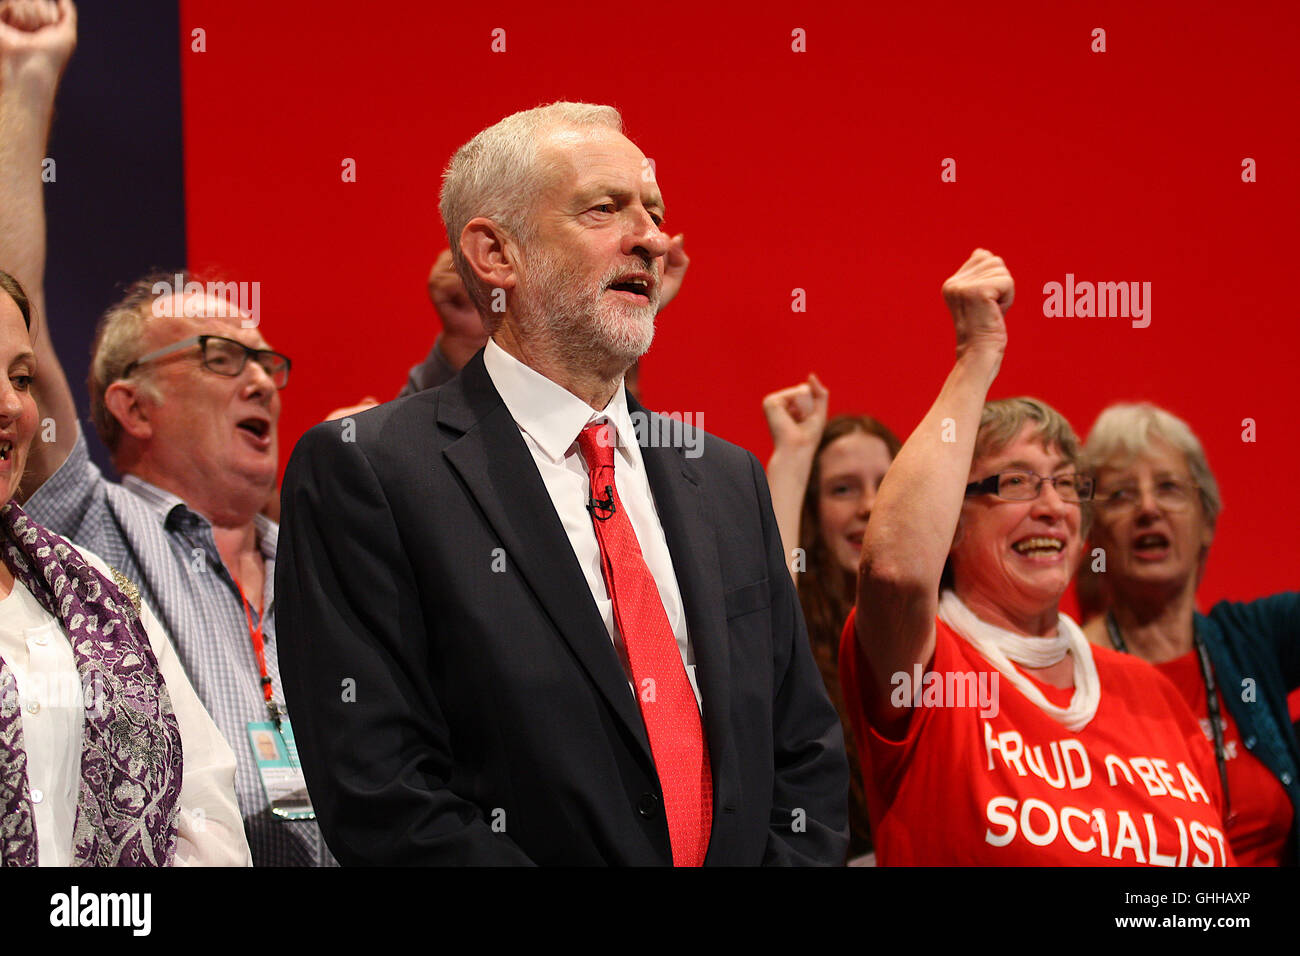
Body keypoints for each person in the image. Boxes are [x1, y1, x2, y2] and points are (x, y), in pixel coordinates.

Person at [275, 101, 849, 865]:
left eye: (653, 210)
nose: (649, 236)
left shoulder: (727, 478)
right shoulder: (369, 471)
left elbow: (804, 755)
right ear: (495, 254)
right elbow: (384, 796)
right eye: (605, 209)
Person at [0, 0, 332, 865]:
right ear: (130, 405)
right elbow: (15, 321)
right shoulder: (90, 530)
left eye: (269, 363)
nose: (261, 378)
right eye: (221, 356)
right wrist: (28, 90)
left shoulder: (319, 555)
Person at [840, 248, 1234, 865]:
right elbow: (892, 570)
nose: (1051, 506)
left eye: (1066, 483)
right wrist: (976, 356)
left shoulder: (1153, 695)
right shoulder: (930, 671)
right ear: (955, 520)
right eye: (1016, 483)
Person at [0, 268, 249, 865]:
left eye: (21, 378)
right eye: (221, 361)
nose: (11, 405)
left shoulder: (96, 591)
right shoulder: (98, 513)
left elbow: (205, 814)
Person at [1081, 401, 1300, 865]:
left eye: (1169, 487)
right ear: (1093, 533)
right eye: (1120, 495)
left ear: (1206, 521)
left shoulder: (1253, 639)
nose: (1147, 507)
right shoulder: (1067, 672)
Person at [762, 373, 900, 858]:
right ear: (814, 513)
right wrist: (794, 455)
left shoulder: (947, 623)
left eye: (887, 485)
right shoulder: (793, 627)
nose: (869, 506)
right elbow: (767, 595)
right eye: (843, 490)